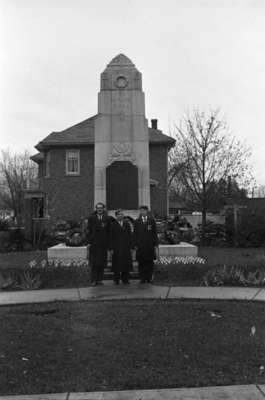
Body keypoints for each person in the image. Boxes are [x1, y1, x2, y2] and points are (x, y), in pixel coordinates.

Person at [87, 203, 110, 286]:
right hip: (94, 244)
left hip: (103, 244)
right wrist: (89, 242)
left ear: (103, 209)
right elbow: (89, 231)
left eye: (101, 208)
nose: (99, 209)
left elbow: (108, 232)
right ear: (96, 209)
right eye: (98, 208)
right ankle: (93, 280)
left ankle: (100, 280)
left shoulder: (106, 218)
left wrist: (108, 244)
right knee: (94, 263)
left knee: (101, 263)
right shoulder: (91, 218)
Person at [134, 205, 158, 283]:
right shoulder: (137, 221)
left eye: (144, 210)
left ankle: (149, 277)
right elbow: (135, 234)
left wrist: (155, 244)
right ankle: (142, 278)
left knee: (149, 262)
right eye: (141, 210)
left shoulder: (152, 221)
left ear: (147, 211)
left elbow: (154, 233)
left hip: (149, 245)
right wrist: (135, 244)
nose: (143, 212)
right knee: (141, 262)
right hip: (140, 246)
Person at [109, 209, 133, 284]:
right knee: (116, 264)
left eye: (122, 214)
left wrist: (131, 247)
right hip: (116, 248)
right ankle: (116, 279)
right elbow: (110, 237)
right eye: (119, 214)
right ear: (116, 216)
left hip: (126, 247)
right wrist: (111, 248)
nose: (121, 215)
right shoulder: (112, 225)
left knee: (126, 264)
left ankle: (125, 279)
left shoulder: (127, 224)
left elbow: (130, 236)